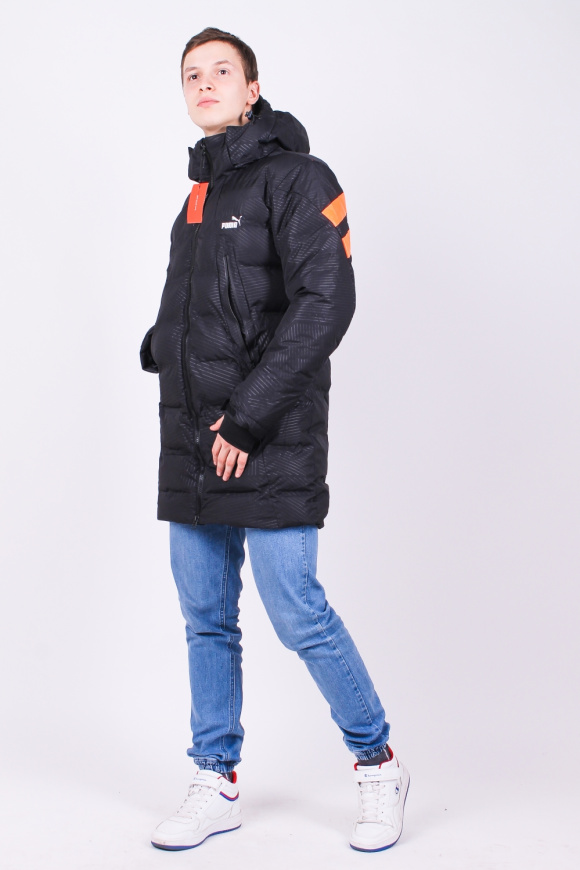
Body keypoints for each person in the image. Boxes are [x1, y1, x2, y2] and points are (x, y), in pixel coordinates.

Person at [140, 26, 409, 853]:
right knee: (206, 619)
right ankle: (215, 777)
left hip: (268, 435)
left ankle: (378, 764)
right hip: (192, 438)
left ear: (252, 89)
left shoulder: (299, 177)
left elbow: (326, 302)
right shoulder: (196, 197)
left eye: (222, 70)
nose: (205, 83)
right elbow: (203, 303)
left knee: (297, 611)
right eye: (193, 74)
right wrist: (160, 345)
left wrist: (249, 418)